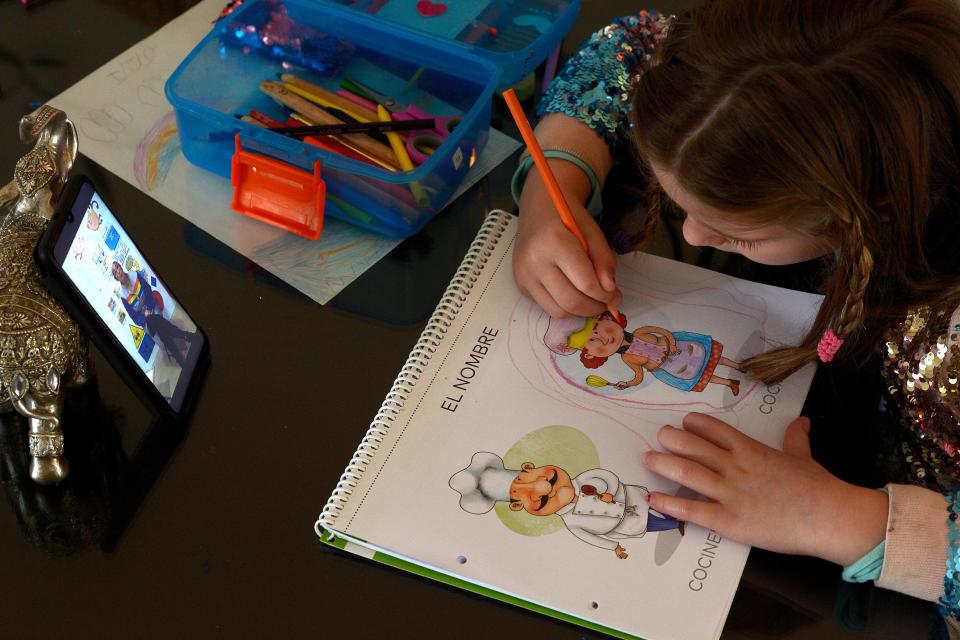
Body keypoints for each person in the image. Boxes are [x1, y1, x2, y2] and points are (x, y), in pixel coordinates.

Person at [511, 0, 960, 627]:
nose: (691, 235)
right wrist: (552, 188)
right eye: (674, 199)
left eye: (737, 234)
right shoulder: (779, 62)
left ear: (869, 198)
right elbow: (633, 45)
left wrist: (834, 518)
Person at [449, 452, 683, 560]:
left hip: (631, 497)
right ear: (517, 506)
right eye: (522, 493)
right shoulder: (571, 522)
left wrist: (609, 492)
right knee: (649, 524)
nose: (542, 488)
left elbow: (605, 476)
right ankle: (674, 525)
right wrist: (614, 547)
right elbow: (590, 538)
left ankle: (676, 514)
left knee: (657, 502)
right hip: (625, 525)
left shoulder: (584, 480)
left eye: (524, 478)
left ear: (529, 467)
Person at [543, 310, 742, 394]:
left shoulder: (639, 332)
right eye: (593, 341)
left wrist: (671, 343)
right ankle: (729, 382)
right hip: (672, 368)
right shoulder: (628, 358)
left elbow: (663, 332)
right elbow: (638, 376)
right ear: (590, 355)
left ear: (609, 319)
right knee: (703, 376)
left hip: (681, 349)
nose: (603, 338)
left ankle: (738, 365)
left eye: (599, 330)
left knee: (712, 359)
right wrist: (626, 383)